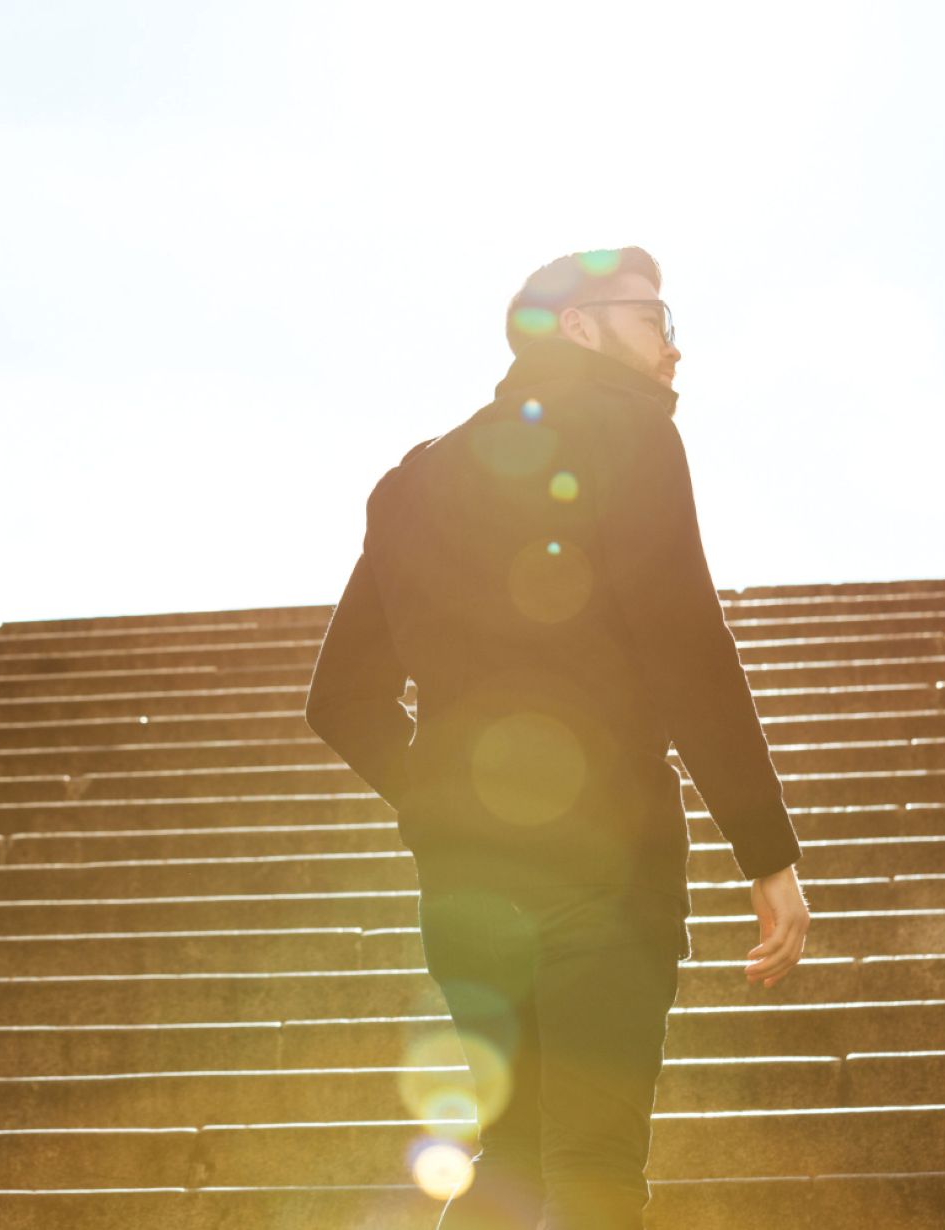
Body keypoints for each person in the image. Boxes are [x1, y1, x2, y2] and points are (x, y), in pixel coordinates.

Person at [304, 246, 809, 1230]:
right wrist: (768, 852)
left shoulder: (413, 482)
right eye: (655, 317)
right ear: (580, 327)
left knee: (511, 1163)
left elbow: (339, 700)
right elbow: (686, 643)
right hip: (607, 865)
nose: (674, 345)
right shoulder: (628, 431)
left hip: (467, 883)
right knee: (595, 1168)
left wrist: (437, 807)